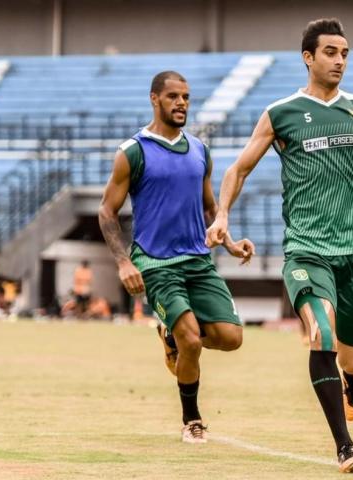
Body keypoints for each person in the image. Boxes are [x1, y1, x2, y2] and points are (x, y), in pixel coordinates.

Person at [206, 18, 353, 472]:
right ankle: (344, 445)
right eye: (330, 52)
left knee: (351, 357)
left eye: (345, 53)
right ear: (308, 57)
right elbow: (238, 169)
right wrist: (221, 216)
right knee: (321, 333)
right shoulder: (281, 113)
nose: (339, 60)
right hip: (306, 248)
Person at [98, 70, 255, 443]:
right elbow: (106, 211)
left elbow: (208, 207)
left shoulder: (200, 150)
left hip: (198, 261)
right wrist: (123, 261)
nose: (181, 103)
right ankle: (192, 420)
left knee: (231, 338)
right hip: (156, 263)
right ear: (155, 99)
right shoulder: (132, 152)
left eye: (185, 96)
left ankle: (170, 336)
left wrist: (228, 241)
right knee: (192, 340)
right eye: (173, 96)